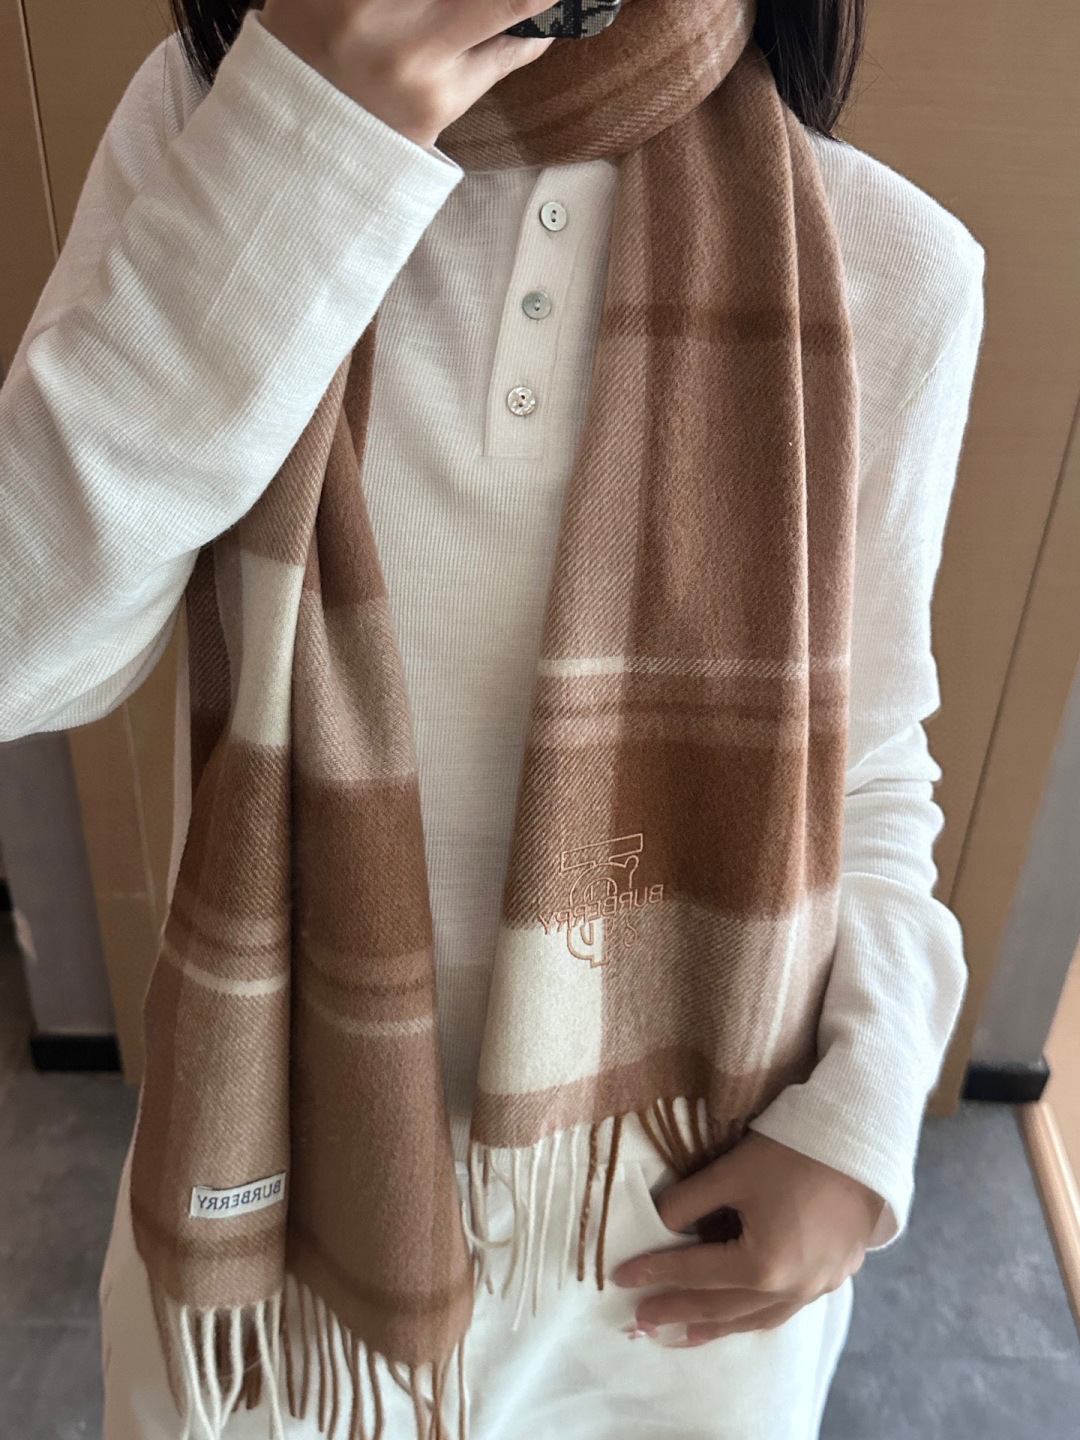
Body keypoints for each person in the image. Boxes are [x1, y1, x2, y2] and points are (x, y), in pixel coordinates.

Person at [0, 0, 985, 1436]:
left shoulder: (889, 258)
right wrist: (308, 149)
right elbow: (26, 649)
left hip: (665, 1236)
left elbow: (875, 757)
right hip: (275, 1210)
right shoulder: (216, 118)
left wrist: (868, 1110)